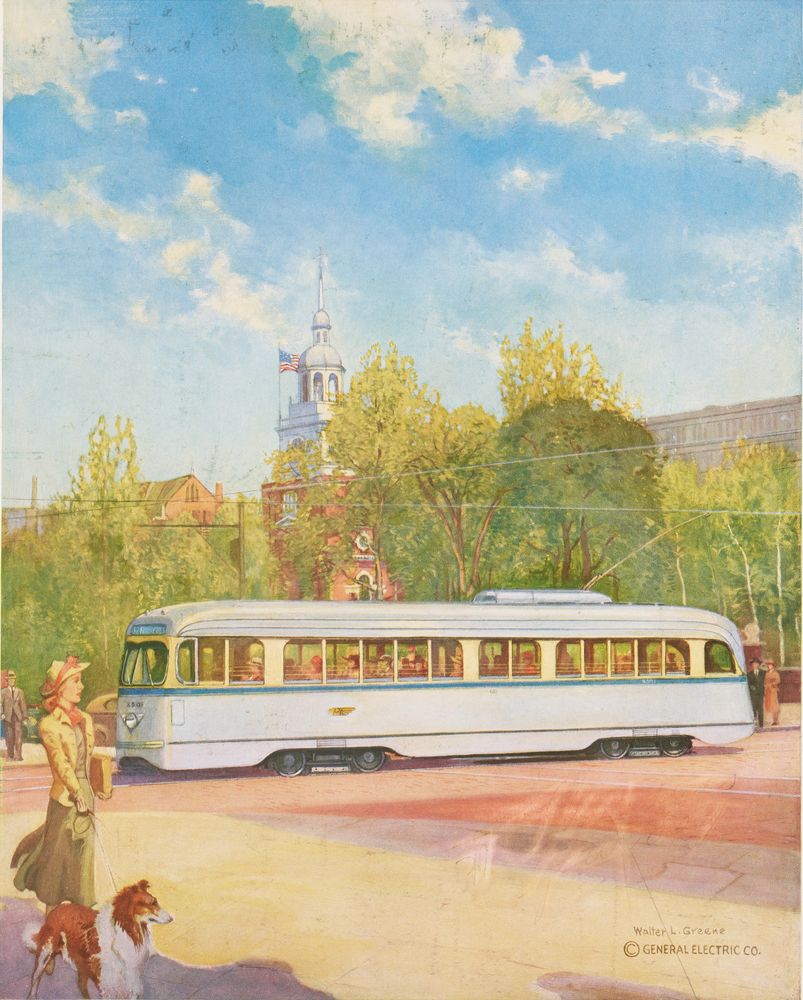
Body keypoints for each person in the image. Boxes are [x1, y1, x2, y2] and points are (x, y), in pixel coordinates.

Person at [11, 656, 95, 914]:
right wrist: (76, 790)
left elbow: (87, 759)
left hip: (85, 793)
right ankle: (52, 920)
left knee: (83, 856)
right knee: (57, 859)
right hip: (66, 798)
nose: (81, 686)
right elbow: (61, 763)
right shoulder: (48, 725)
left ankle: (80, 918)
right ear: (61, 689)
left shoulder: (85, 719)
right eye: (76, 681)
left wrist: (95, 787)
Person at [1, 670, 27, 761]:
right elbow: (0, 704)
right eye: (10, 679)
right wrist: (1, 714)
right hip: (7, 717)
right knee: (9, 736)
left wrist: (24, 716)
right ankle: (11, 754)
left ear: (15, 680)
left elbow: (23, 704)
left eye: (13, 679)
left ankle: (19, 755)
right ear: (7, 681)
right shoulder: (3, 692)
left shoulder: (20, 691)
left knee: (18, 736)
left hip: (17, 717)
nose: (12, 681)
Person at [746, 657, 765, 728]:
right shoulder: (749, 674)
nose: (755, 665)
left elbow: (765, 682)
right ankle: (754, 725)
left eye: (756, 664)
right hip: (753, 695)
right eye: (754, 664)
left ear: (759, 665)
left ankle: (761, 725)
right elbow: (748, 684)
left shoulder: (763, 673)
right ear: (752, 665)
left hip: (760, 694)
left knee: (760, 710)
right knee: (753, 709)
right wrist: (752, 687)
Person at [763, 659, 782, 726]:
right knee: (769, 705)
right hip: (767, 690)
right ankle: (772, 720)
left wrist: (772, 684)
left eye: (770, 665)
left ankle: (776, 720)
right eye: (768, 665)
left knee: (775, 705)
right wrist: (765, 685)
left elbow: (778, 680)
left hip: (773, 690)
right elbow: (765, 680)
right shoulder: (767, 673)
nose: (769, 666)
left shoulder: (775, 673)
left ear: (773, 666)